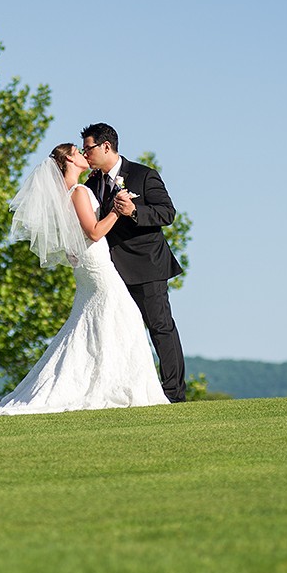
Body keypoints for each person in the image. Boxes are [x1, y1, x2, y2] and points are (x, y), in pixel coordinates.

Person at [0, 143, 168, 421]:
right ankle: (119, 387)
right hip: (98, 268)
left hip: (86, 269)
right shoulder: (79, 191)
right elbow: (93, 233)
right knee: (122, 317)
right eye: (78, 152)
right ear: (69, 159)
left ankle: (109, 383)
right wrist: (117, 211)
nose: (83, 154)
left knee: (96, 323)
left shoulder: (63, 196)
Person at [81, 123, 187, 403]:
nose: (85, 153)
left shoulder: (143, 174)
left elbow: (167, 213)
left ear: (106, 146)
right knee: (119, 333)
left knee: (160, 327)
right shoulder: (91, 184)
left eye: (88, 148)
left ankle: (174, 395)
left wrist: (135, 210)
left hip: (148, 266)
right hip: (112, 271)